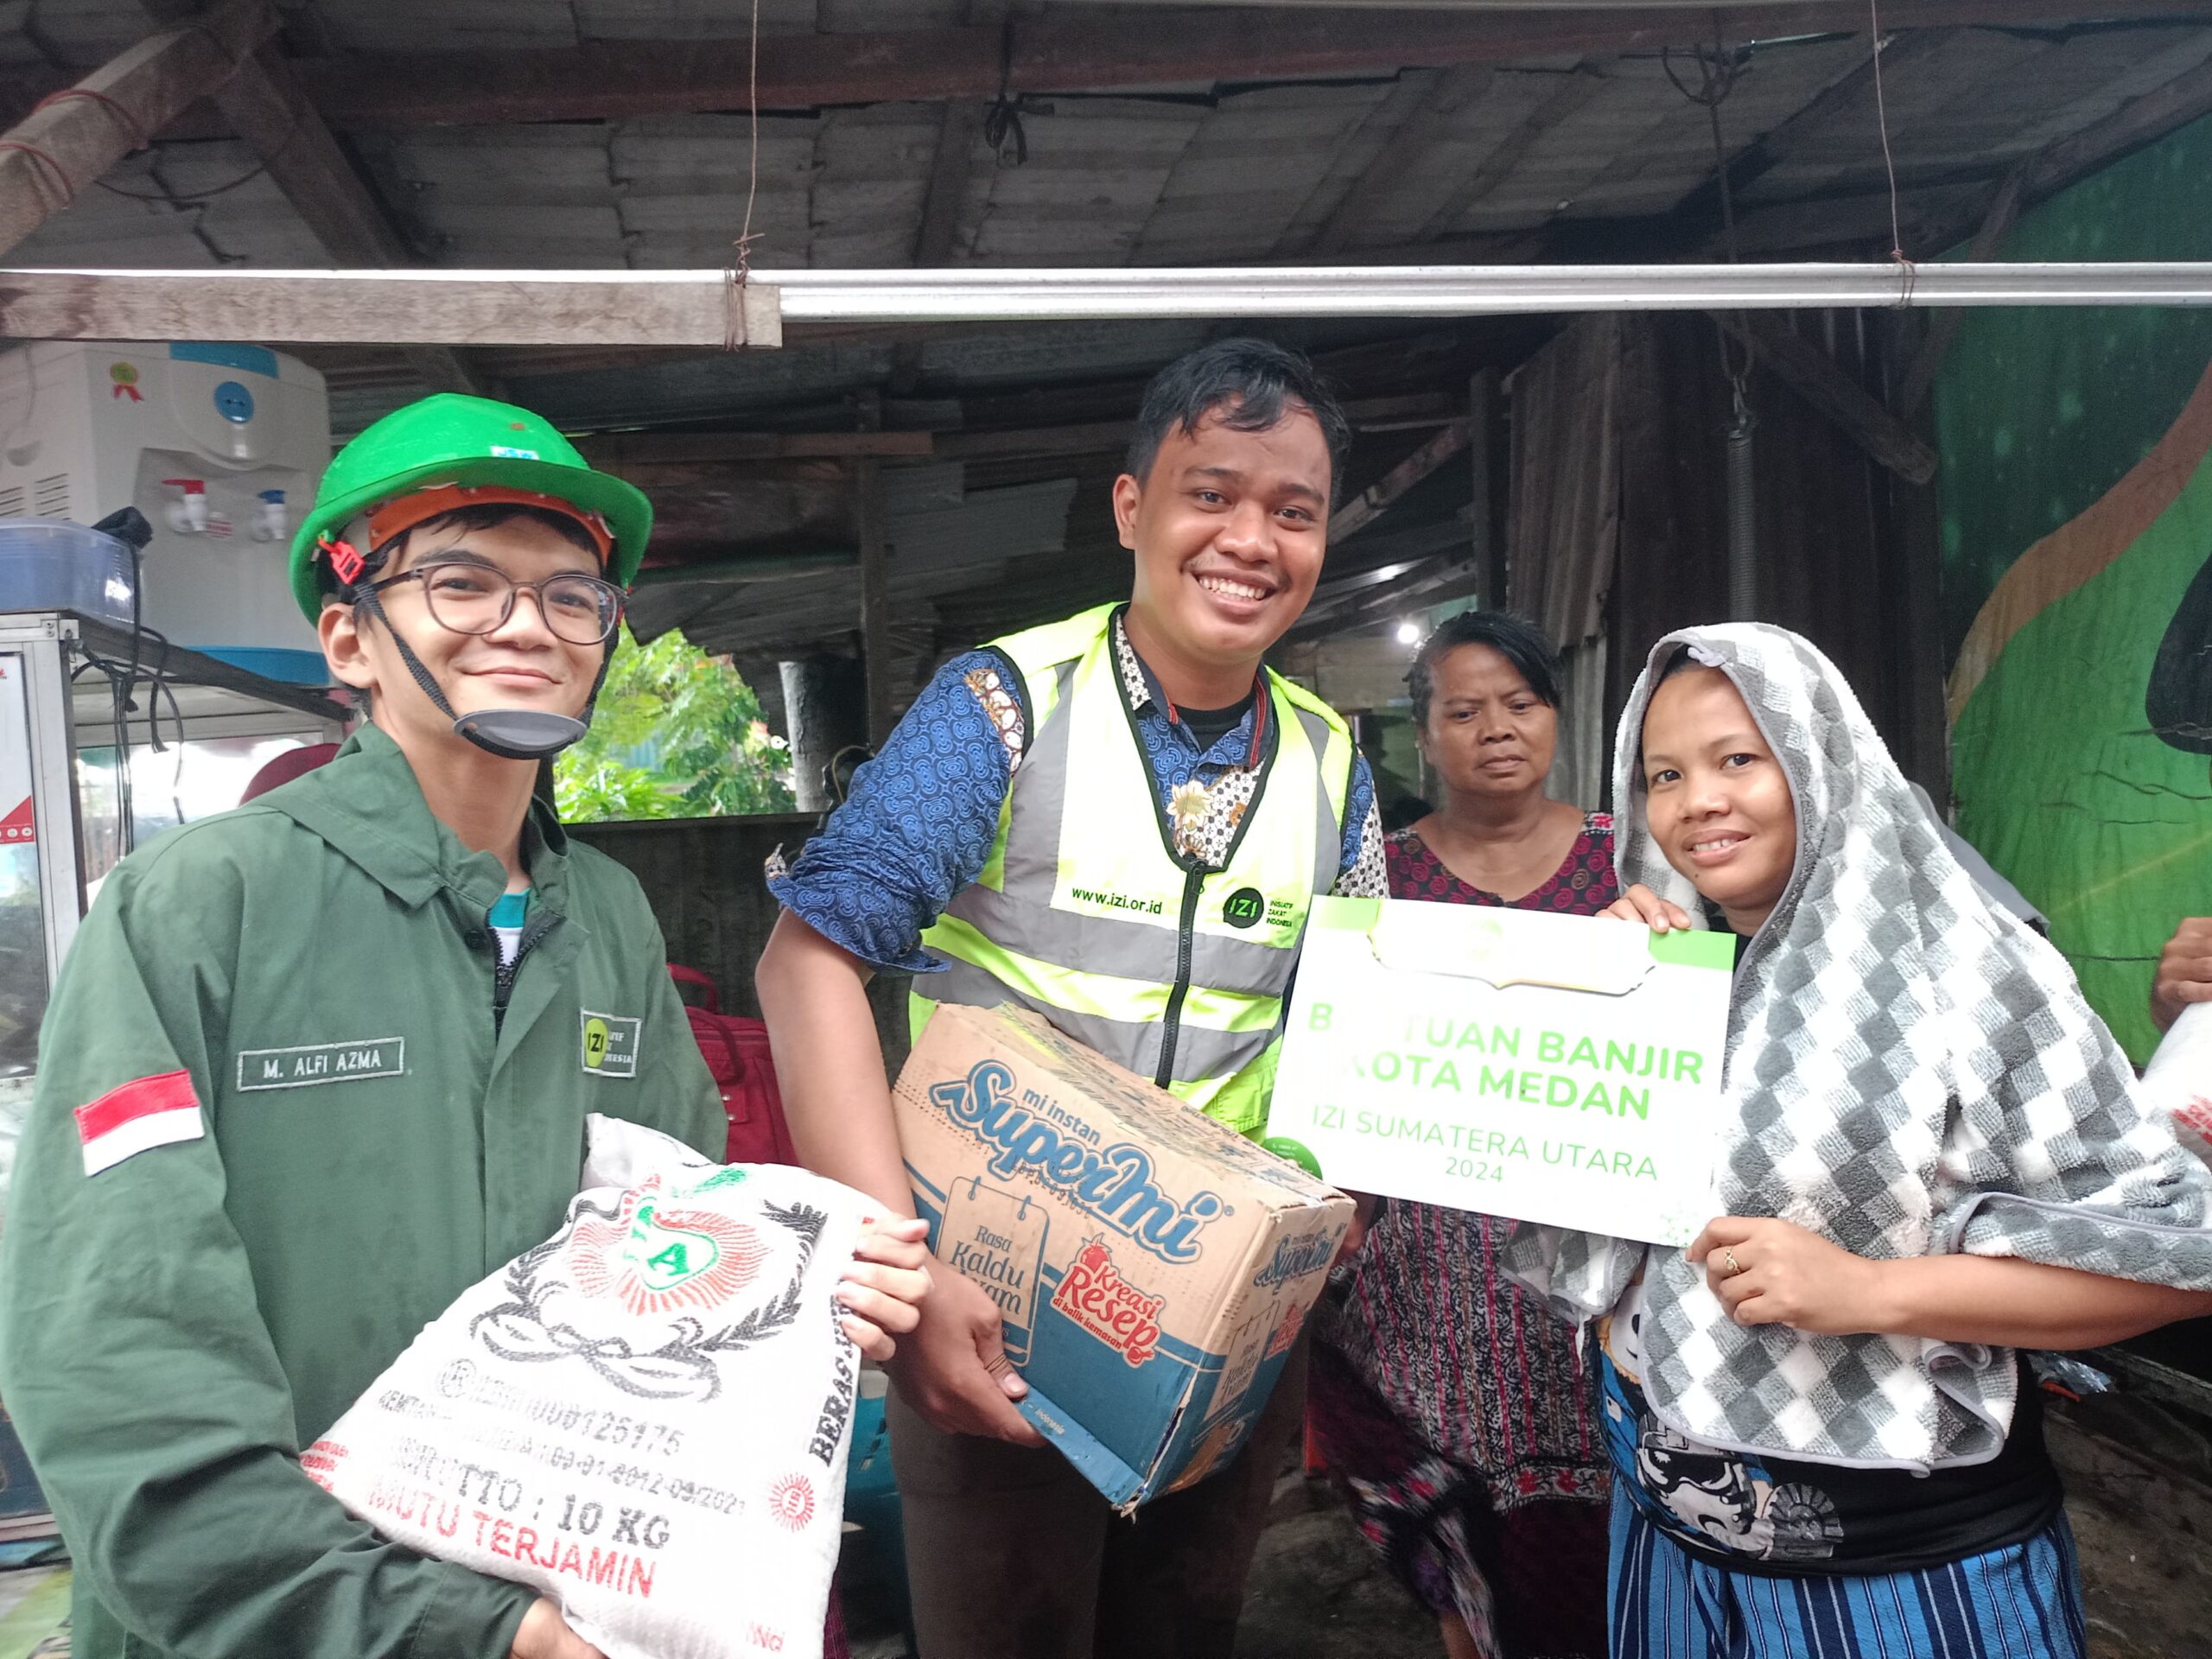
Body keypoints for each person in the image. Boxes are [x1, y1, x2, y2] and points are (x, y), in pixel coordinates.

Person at [0, 394, 929, 1659]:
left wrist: (806, 1286)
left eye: (570, 597)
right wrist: (453, 1633)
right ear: (349, 638)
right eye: (461, 581)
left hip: (575, 1609)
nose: (525, 626)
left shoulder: (604, 915)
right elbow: (121, 1364)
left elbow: (668, 1253)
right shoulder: (200, 907)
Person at [754, 338, 1387, 1659]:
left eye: (1293, 510)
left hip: (1226, 1328)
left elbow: (1369, 1033)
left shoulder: (1336, 765)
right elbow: (807, 960)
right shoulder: (1000, 706)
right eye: (1210, 493)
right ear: (1130, 510)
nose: (1249, 539)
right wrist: (905, 1276)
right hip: (999, 1309)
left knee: (1188, 1630)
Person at [1516, 623, 2212, 1659]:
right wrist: (1603, 1014)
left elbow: (2185, 1259)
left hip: (1901, 1587)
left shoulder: (1975, 978)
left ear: (1821, 758)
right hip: (1666, 1550)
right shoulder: (1671, 971)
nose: (1696, 799)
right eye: (1664, 774)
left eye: (1738, 759)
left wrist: (1871, 1292)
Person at [1309, 611, 1610, 1659]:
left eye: (1520, 705)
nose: (1496, 729)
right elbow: (1341, 1056)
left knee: (1607, 1533)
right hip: (1430, 1278)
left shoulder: (1633, 866)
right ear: (1422, 734)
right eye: (1464, 710)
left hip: (1594, 1268)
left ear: (1555, 720)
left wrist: (1672, 939)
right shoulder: (1373, 883)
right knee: (1465, 1536)